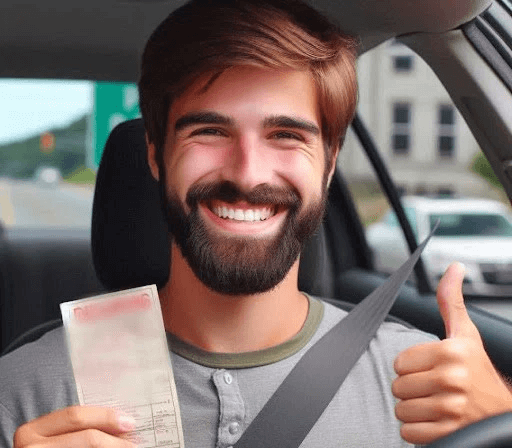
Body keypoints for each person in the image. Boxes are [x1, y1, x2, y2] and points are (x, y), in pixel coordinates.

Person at [1, 0, 512, 447]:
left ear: (329, 163)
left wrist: (499, 424)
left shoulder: (429, 386)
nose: (247, 173)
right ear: (156, 157)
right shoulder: (24, 394)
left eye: (286, 135)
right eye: (209, 130)